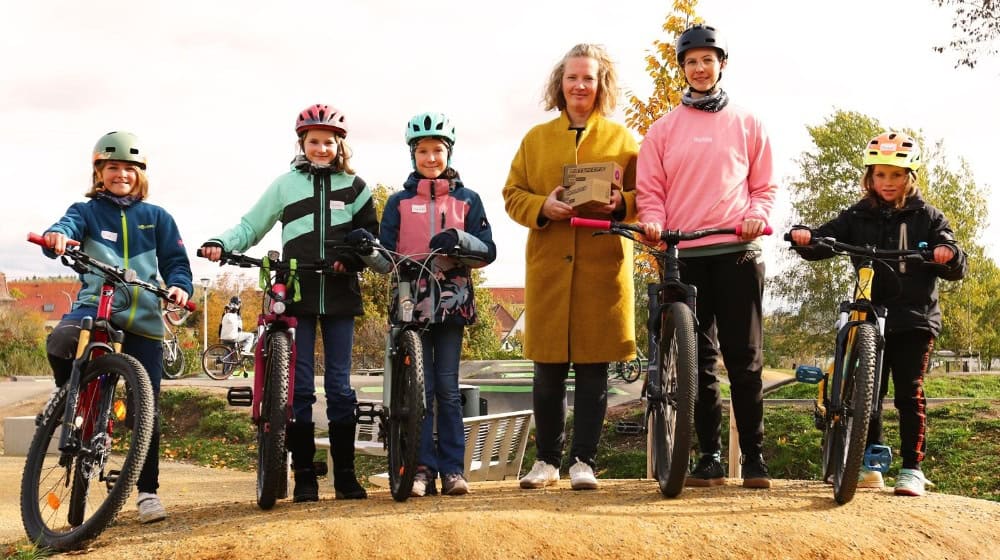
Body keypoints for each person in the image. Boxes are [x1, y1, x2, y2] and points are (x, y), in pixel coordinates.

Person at [200, 103, 379, 503]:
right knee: (298, 388)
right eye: (313, 141)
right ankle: (303, 477)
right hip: (296, 291)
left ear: (339, 145)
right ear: (302, 143)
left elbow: (371, 237)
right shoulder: (285, 185)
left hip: (339, 289)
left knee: (338, 386)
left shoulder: (355, 187)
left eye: (328, 142)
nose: (321, 148)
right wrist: (222, 243)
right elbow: (251, 225)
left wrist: (351, 256)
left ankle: (346, 477)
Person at [636, 23, 778, 489]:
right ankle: (710, 456)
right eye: (691, 61)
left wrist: (757, 214)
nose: (700, 68)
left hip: (737, 250)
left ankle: (754, 457)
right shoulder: (662, 131)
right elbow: (650, 191)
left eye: (707, 60)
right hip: (686, 254)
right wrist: (653, 221)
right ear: (682, 68)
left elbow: (764, 187)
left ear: (721, 64)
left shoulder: (749, 123)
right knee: (698, 363)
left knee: (745, 358)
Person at [789, 131, 967, 496]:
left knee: (908, 393)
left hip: (914, 318)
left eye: (896, 175)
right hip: (869, 313)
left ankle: (912, 468)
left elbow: (952, 252)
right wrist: (806, 237)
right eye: (880, 175)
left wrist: (947, 254)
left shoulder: (928, 217)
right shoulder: (858, 214)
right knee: (866, 393)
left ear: (910, 177)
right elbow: (826, 237)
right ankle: (869, 461)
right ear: (869, 177)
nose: (887, 183)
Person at [502, 44, 639, 491]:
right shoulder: (535, 139)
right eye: (572, 78)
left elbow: (645, 197)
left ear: (602, 85)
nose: (580, 85)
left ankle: (584, 461)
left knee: (594, 369)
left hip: (602, 266)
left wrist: (624, 203)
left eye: (589, 78)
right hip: (549, 267)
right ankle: (546, 461)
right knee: (548, 370)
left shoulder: (623, 141)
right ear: (559, 85)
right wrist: (544, 205)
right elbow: (512, 194)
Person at [40, 131, 193, 523]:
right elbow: (66, 227)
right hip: (95, 308)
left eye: (129, 168)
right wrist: (58, 237)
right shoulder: (86, 210)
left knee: (147, 408)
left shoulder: (157, 217)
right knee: (59, 341)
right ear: (99, 172)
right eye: (112, 167)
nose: (120, 174)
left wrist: (178, 286)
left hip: (142, 318)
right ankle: (67, 399)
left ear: (140, 174)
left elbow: (176, 261)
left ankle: (147, 493)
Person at [378, 111, 496, 497]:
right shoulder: (397, 202)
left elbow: (488, 249)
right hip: (411, 301)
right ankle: (420, 469)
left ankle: (452, 471)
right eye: (423, 151)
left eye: (437, 150)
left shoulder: (468, 199)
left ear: (449, 153)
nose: (431, 158)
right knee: (418, 389)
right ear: (413, 155)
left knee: (445, 387)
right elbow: (383, 257)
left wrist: (460, 242)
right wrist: (367, 249)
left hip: (451, 301)